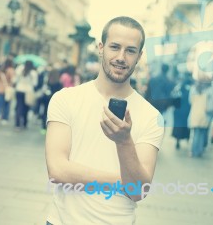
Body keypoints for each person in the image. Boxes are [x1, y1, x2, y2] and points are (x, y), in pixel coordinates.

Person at [45, 16, 164, 224]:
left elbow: (138, 191)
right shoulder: (65, 99)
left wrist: (124, 141)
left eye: (130, 50)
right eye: (114, 47)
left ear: (139, 56)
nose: (121, 57)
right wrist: (121, 181)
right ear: (101, 48)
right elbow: (57, 170)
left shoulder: (151, 117)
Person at [188, 78, 213, 158]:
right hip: (204, 114)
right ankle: (199, 151)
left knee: (196, 133)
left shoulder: (193, 89)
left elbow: (190, 101)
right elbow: (211, 105)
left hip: (195, 113)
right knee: (202, 133)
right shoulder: (209, 90)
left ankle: (193, 151)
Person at [13, 60, 38, 129]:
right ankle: (24, 123)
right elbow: (35, 84)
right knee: (26, 108)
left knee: (19, 107)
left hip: (19, 89)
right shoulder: (33, 73)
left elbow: (15, 80)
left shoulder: (20, 70)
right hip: (28, 91)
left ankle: (17, 124)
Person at [0, 58, 15, 126]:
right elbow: (13, 81)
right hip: (8, 90)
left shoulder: (0, 70)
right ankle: (4, 118)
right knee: (7, 105)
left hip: (0, 89)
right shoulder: (11, 70)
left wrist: (0, 83)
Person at [172, 73, 193, 149]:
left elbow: (173, 97)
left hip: (178, 110)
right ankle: (187, 138)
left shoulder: (178, 87)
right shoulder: (191, 88)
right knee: (186, 125)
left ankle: (177, 141)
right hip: (187, 110)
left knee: (178, 125)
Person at [40, 68, 62, 134]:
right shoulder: (59, 83)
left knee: (44, 113)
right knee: (54, 114)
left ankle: (43, 128)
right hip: (55, 101)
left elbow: (44, 90)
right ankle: (52, 128)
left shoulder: (48, 82)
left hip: (46, 99)